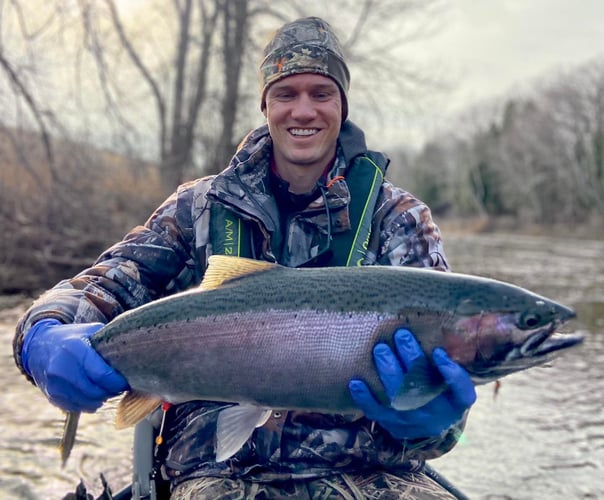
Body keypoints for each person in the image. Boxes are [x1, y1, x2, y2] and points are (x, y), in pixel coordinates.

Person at [13, 17, 476, 499]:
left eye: (321, 93)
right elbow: (103, 286)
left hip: (371, 471)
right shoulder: (199, 207)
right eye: (286, 93)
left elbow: (442, 427)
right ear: (265, 106)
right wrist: (41, 335)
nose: (303, 110)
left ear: (342, 105)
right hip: (220, 470)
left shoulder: (398, 218)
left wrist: (436, 420)